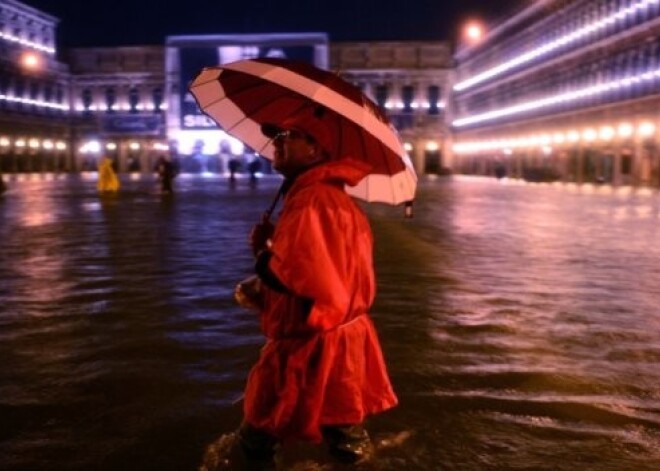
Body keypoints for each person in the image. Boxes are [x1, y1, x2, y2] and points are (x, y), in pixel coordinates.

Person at [232, 108, 398, 466]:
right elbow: (328, 269)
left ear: (316, 149)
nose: (277, 143)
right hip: (340, 338)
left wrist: (262, 255)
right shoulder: (327, 196)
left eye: (288, 136)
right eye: (275, 137)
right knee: (345, 434)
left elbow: (298, 276)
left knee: (256, 435)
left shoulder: (310, 200)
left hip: (311, 344)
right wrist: (272, 248)